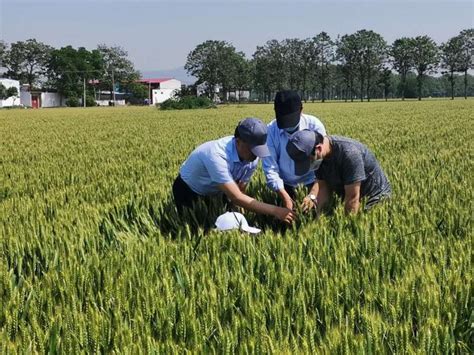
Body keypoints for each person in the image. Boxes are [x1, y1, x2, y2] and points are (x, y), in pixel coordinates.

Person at [172, 117, 296, 225]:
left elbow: (241, 188)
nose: (256, 154)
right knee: (195, 227)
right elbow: (236, 197)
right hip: (189, 190)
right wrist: (276, 211)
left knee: (222, 225)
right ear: (238, 141)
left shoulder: (252, 156)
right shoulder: (217, 155)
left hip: (217, 191)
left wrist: (239, 215)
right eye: (253, 149)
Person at [286, 130, 391, 214]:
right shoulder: (317, 157)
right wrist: (319, 219)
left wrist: (346, 229)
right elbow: (323, 188)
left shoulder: (349, 154)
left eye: (308, 162)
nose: (309, 166)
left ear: (318, 149)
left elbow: (352, 198)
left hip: (375, 199)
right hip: (349, 194)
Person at [262, 90, 326, 210]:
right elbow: (270, 167)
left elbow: (323, 164)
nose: (287, 126)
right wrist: (285, 197)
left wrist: (313, 194)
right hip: (285, 185)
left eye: (290, 120)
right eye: (284, 122)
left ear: (301, 110)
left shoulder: (314, 126)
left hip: (313, 182)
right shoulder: (271, 131)